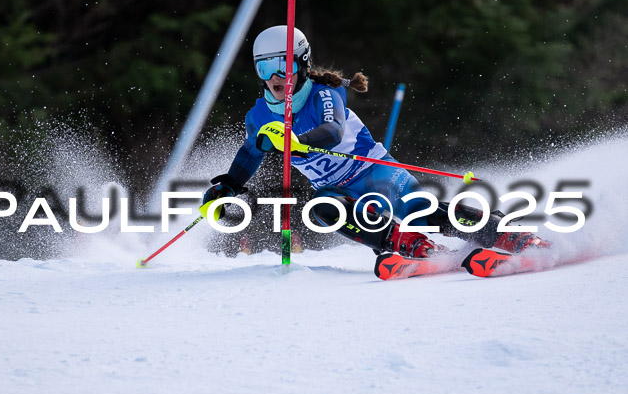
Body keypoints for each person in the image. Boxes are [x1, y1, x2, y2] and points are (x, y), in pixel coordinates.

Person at [204, 25, 549, 259]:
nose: (275, 78)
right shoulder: (258, 116)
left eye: (282, 66)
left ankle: (502, 233)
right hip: (335, 187)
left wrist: (296, 141)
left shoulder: (325, 93)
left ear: (301, 64)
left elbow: (333, 131)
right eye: (265, 70)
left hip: (373, 171)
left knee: (421, 213)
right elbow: (251, 152)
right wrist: (229, 185)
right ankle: (406, 246)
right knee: (322, 208)